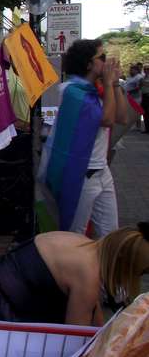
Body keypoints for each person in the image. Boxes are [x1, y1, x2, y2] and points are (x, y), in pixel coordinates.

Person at [0, 223, 149, 326]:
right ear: (127, 267)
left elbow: (94, 314)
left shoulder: (83, 242)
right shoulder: (89, 277)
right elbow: (73, 340)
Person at [39, 39, 128, 236]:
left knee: (110, 233)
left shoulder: (94, 90)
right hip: (81, 174)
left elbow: (121, 116)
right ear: (88, 64)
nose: (106, 62)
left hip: (101, 170)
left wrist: (114, 85)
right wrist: (106, 83)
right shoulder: (72, 92)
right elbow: (107, 120)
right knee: (74, 234)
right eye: (101, 58)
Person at [142, 64, 149, 133]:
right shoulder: (143, 77)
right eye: (145, 69)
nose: (146, 70)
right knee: (145, 113)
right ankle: (147, 128)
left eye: (147, 69)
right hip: (144, 96)